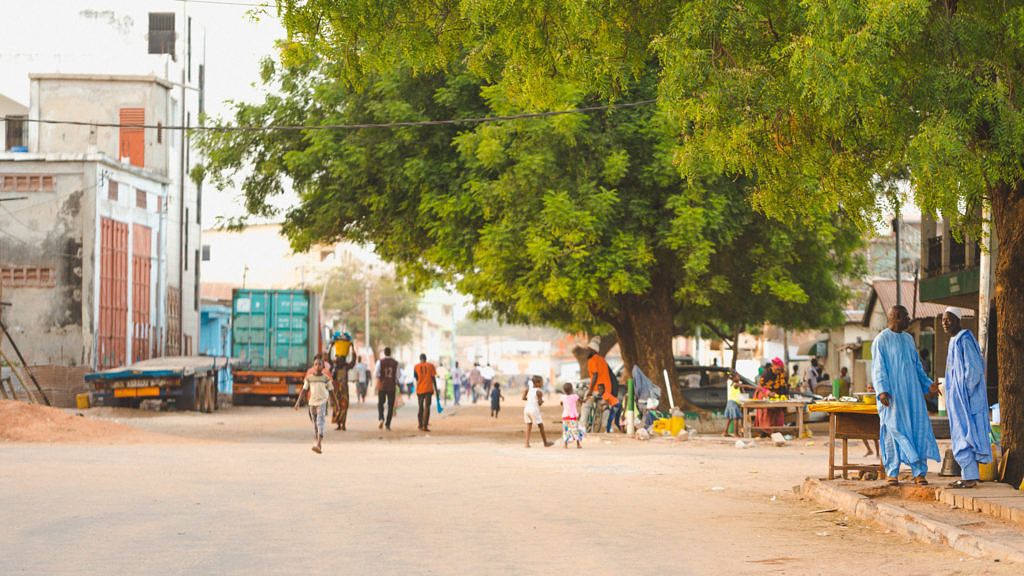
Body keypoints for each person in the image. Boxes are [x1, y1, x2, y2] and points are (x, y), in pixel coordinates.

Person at [871, 305, 941, 486]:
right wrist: (882, 391)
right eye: (907, 316)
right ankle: (892, 472)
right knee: (893, 431)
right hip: (893, 396)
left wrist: (928, 385)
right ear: (897, 316)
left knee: (917, 430)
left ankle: (919, 473)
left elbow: (917, 367)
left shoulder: (909, 339)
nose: (909, 320)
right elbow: (878, 368)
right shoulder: (881, 340)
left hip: (913, 396)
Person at [942, 307, 992, 489]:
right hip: (957, 400)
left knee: (969, 435)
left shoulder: (965, 339)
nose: (945, 323)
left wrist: (966, 392)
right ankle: (968, 476)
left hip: (967, 400)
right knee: (960, 435)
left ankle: (970, 478)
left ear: (957, 320)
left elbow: (975, 369)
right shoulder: (953, 341)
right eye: (943, 320)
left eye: (949, 319)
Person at [294, 356, 336, 453]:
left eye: (319, 364)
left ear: (323, 366)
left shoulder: (326, 376)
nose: (317, 366)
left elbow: (331, 389)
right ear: (313, 365)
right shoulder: (309, 375)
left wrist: (334, 402)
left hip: (322, 402)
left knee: (320, 421)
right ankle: (318, 436)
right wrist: (298, 402)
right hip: (311, 402)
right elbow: (304, 389)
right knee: (315, 422)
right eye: (315, 364)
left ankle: (319, 443)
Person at [754, 358, 786, 434]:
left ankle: (777, 431)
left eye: (779, 370)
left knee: (778, 412)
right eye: (777, 369)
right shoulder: (765, 374)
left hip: (776, 395)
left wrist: (784, 395)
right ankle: (764, 431)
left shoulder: (781, 374)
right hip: (764, 394)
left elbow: (783, 385)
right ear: (773, 366)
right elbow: (761, 387)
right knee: (765, 412)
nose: (778, 371)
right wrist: (769, 393)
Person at [523, 375, 553, 447]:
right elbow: (539, 404)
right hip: (534, 410)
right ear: (537, 383)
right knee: (541, 426)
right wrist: (542, 401)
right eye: (542, 382)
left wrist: (531, 400)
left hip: (526, 409)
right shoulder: (539, 392)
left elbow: (523, 398)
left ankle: (527, 443)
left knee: (528, 426)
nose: (542, 384)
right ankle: (545, 443)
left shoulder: (528, 389)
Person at [724, 371, 755, 437]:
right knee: (736, 418)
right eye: (738, 376)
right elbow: (744, 385)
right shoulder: (735, 384)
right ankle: (736, 433)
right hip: (733, 403)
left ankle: (725, 432)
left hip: (730, 402)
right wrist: (752, 387)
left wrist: (742, 387)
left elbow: (743, 392)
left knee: (729, 418)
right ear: (734, 378)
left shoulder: (734, 384)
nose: (739, 377)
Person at [375, 347, 399, 430]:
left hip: (382, 385)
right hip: (391, 386)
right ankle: (388, 424)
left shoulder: (380, 362)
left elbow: (376, 374)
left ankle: (381, 418)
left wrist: (380, 378)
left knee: (380, 403)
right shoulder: (395, 363)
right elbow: (398, 375)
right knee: (390, 405)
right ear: (390, 353)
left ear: (384, 353)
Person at [414, 354, 438, 432]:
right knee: (427, 407)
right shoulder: (431, 366)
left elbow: (416, 378)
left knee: (420, 407)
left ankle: (420, 424)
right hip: (428, 389)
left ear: (420, 359)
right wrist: (436, 389)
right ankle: (425, 425)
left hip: (420, 389)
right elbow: (433, 378)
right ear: (425, 359)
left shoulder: (416, 367)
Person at [560, 382, 583, 448]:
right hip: (573, 417)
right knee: (575, 430)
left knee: (566, 430)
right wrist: (586, 399)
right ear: (572, 390)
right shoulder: (575, 396)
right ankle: (578, 444)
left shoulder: (562, 397)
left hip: (565, 417)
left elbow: (561, 404)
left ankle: (565, 445)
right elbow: (581, 401)